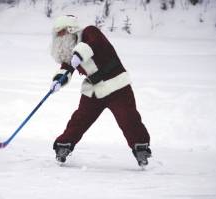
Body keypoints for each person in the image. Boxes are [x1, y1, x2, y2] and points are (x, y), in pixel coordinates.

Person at [50, 15, 151, 167]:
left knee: (128, 118)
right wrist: (59, 80)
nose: (59, 36)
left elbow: (95, 42)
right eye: (57, 34)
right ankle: (63, 146)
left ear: (71, 30)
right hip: (94, 90)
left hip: (117, 86)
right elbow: (67, 68)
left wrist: (78, 54)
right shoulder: (70, 49)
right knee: (79, 119)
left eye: (61, 32)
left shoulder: (90, 32)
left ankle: (141, 148)